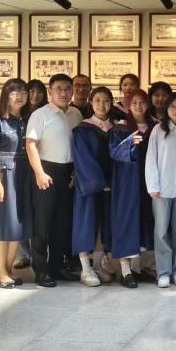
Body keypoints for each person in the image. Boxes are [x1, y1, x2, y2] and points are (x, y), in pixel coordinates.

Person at [25, 74, 82, 288]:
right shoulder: (40, 114)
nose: (64, 92)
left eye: (68, 88)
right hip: (46, 170)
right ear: (50, 92)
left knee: (62, 223)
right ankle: (41, 270)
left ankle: (57, 266)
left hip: (68, 173)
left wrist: (76, 172)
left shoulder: (76, 114)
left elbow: (78, 146)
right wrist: (39, 173)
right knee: (43, 224)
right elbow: (30, 144)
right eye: (59, 88)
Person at [0, 78, 31, 289]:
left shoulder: (27, 120)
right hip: (4, 175)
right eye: (14, 92)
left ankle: (8, 270)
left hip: (23, 176)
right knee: (2, 226)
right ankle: (1, 273)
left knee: (17, 226)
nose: (19, 96)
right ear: (6, 96)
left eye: (23, 92)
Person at [145, 92, 176, 288]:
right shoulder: (158, 130)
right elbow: (151, 159)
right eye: (172, 106)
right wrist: (153, 186)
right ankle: (163, 272)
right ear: (166, 109)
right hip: (162, 190)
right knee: (161, 231)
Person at [109, 88, 153, 288]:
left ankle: (138, 268)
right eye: (134, 102)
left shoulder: (155, 126)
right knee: (126, 221)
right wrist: (129, 142)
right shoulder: (121, 127)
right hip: (127, 182)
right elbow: (113, 152)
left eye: (142, 102)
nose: (138, 106)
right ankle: (125, 270)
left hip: (148, 181)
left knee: (144, 222)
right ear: (128, 105)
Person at [71, 86, 115, 288]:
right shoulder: (83, 129)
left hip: (110, 186)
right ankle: (85, 269)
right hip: (89, 185)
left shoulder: (116, 128)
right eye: (97, 100)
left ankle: (98, 266)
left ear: (111, 103)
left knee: (103, 226)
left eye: (106, 100)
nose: (102, 104)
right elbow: (83, 159)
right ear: (91, 102)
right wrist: (100, 183)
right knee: (86, 224)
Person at [12, 79, 47, 271]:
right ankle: (24, 253)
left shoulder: (48, 112)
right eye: (31, 91)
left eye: (39, 91)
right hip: (21, 165)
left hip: (44, 165)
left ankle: (40, 253)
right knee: (22, 208)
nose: (35, 95)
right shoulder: (19, 114)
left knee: (39, 210)